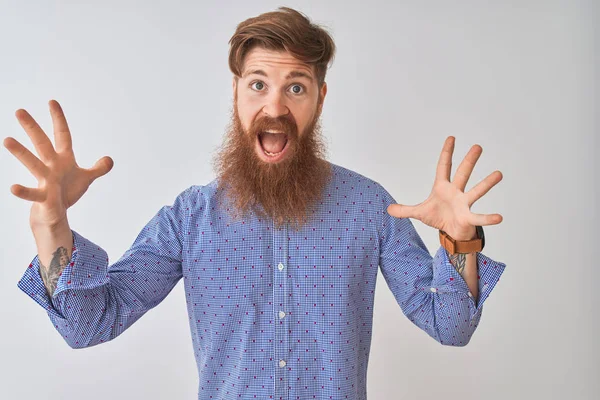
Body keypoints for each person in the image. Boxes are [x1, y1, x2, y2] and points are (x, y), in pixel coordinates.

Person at [5, 7, 506, 400]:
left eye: (296, 87)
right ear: (236, 92)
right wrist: (51, 224)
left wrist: (459, 240)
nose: (275, 106)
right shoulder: (189, 219)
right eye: (258, 84)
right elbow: (89, 324)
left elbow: (452, 325)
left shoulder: (370, 208)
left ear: (320, 99)